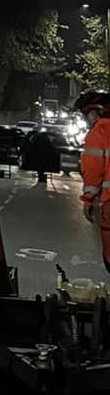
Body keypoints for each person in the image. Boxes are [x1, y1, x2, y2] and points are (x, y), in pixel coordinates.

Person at [78, 90, 110, 272]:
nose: (87, 123)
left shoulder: (100, 131)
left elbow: (93, 170)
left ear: (93, 113)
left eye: (86, 117)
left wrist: (89, 199)